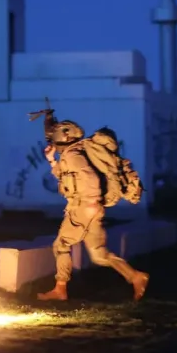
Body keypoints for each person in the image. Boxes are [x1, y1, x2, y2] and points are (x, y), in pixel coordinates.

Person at [36, 120, 150, 302]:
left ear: (63, 137)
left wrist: (89, 203)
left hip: (84, 207)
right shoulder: (75, 152)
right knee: (99, 255)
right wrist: (51, 160)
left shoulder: (72, 155)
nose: (52, 140)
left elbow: (91, 179)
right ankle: (136, 276)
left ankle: (60, 289)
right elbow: (66, 176)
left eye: (54, 137)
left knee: (61, 244)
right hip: (92, 208)